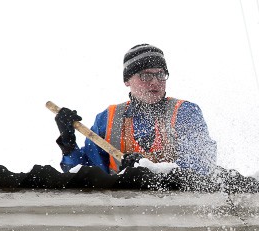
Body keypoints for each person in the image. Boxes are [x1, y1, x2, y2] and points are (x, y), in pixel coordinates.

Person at [54, 44, 217, 175]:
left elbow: (201, 165)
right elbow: (83, 176)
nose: (155, 82)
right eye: (146, 75)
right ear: (127, 80)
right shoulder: (108, 119)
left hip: (176, 211)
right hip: (122, 213)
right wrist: (68, 143)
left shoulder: (184, 112)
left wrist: (150, 170)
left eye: (161, 74)